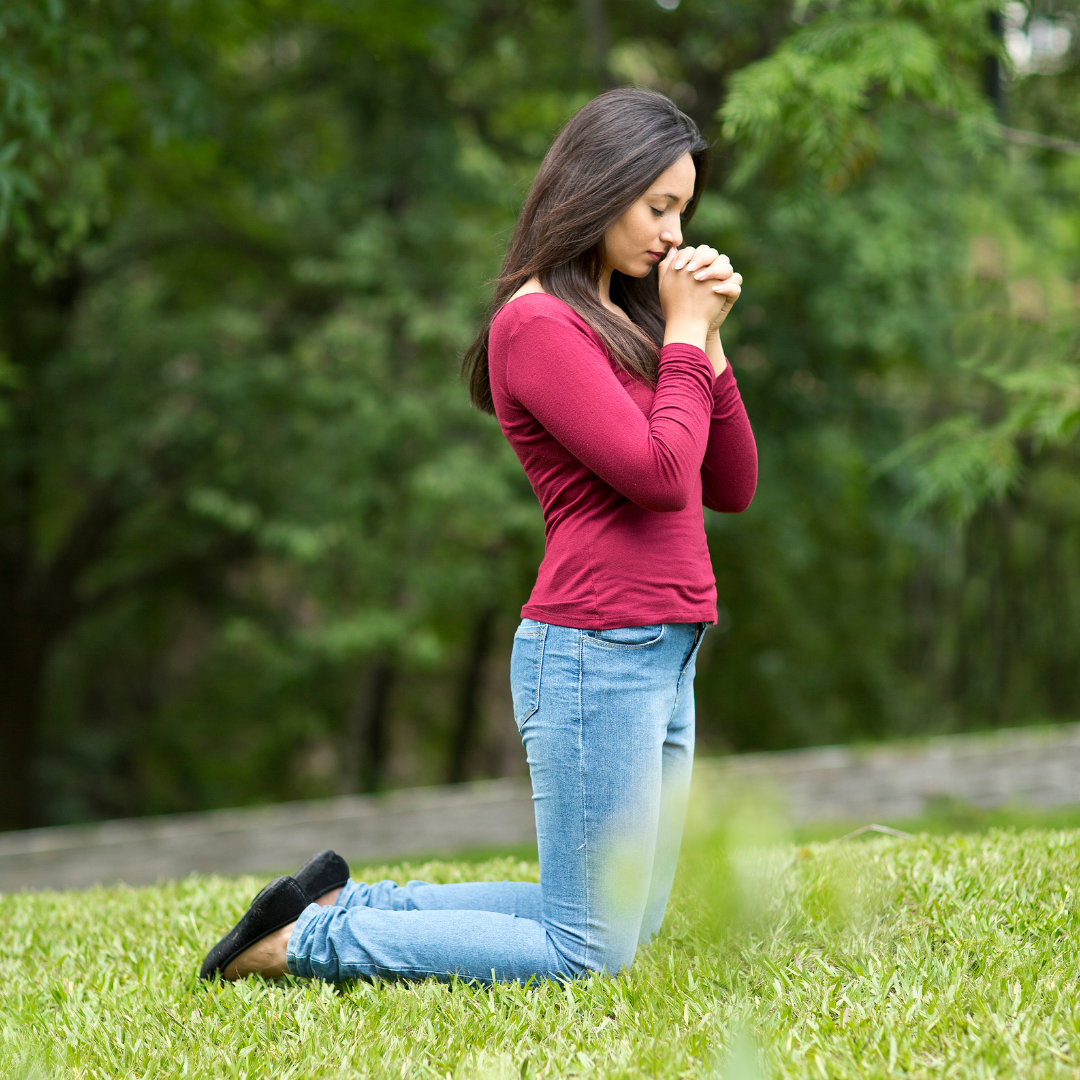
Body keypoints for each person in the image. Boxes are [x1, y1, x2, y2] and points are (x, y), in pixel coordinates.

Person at [200, 87, 757, 986]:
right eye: (658, 206)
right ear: (598, 186)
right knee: (589, 954)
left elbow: (730, 483)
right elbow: (658, 477)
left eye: (683, 211)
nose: (672, 231)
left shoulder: (633, 323)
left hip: (666, 647)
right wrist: (688, 335)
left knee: (632, 921)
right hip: (594, 650)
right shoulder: (535, 325)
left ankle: (352, 907)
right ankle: (299, 944)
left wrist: (705, 343)